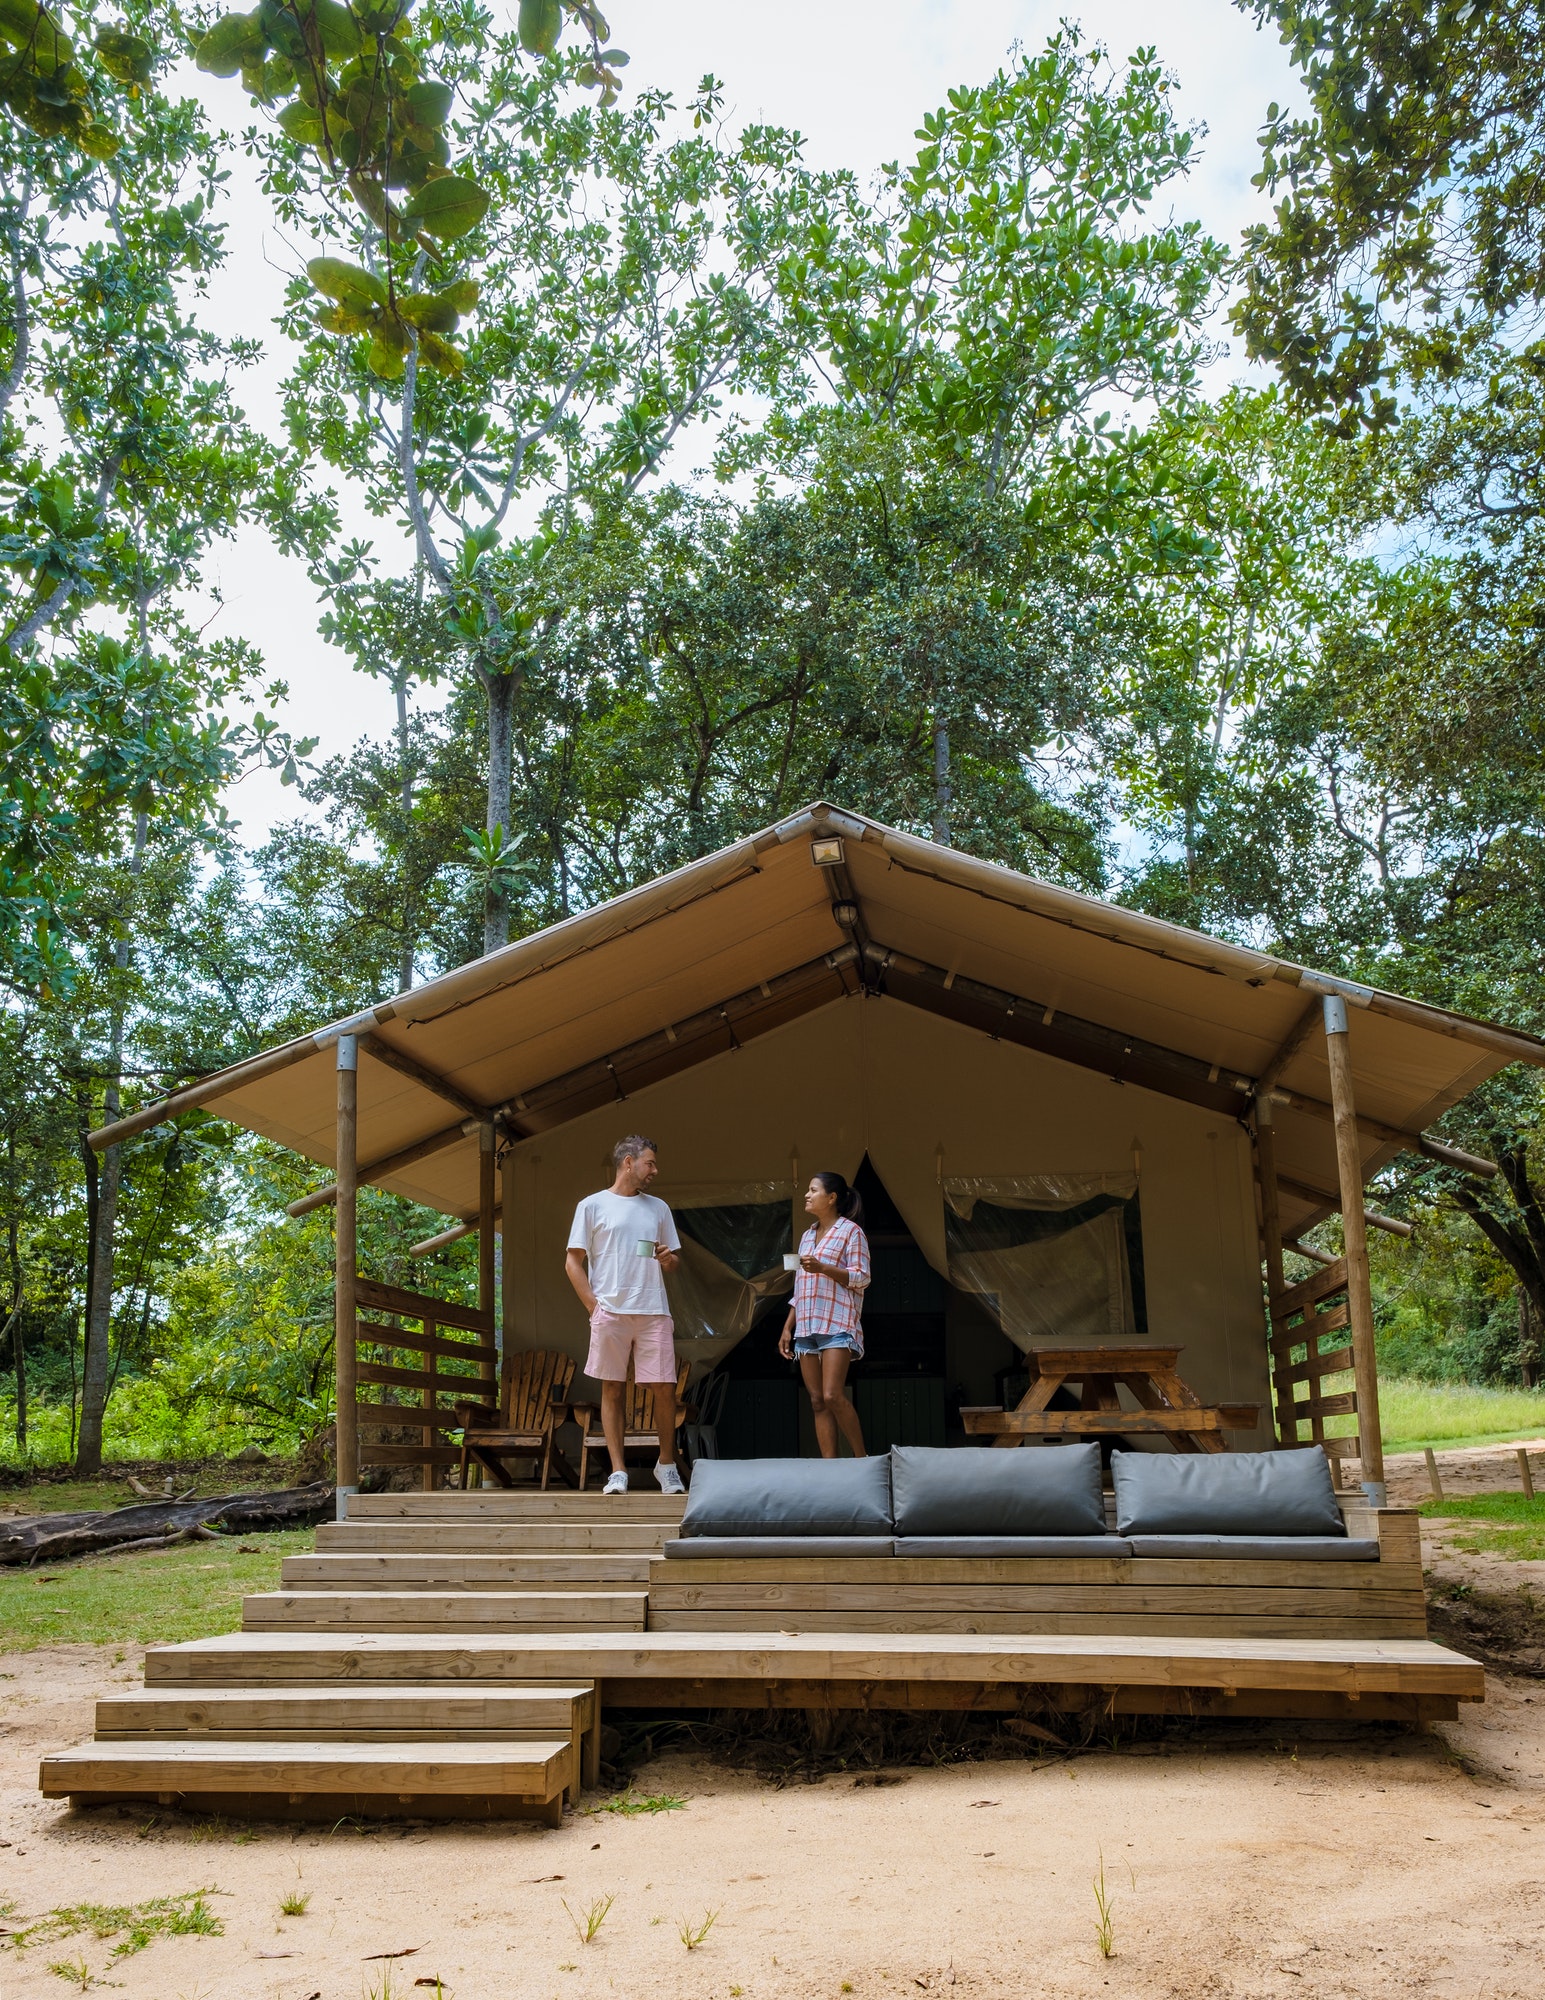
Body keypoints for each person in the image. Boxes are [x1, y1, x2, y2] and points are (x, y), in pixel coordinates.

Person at [565, 1135, 685, 1495]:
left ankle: (666, 1465)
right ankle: (618, 1472)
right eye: (650, 1163)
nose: (655, 1170)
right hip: (610, 1311)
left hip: (653, 1310)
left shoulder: (658, 1208)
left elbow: (675, 1262)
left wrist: (667, 1259)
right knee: (612, 1388)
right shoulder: (591, 1206)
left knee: (664, 1388)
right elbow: (572, 1261)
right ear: (628, 1162)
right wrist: (592, 1306)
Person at [778, 1170, 871, 1458]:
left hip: (837, 1323)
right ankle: (831, 1469)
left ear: (831, 1198)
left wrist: (823, 1268)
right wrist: (787, 1327)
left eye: (813, 1190)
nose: (807, 1195)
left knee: (832, 1394)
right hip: (806, 1326)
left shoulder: (851, 1232)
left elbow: (862, 1277)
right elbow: (801, 1285)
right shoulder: (807, 1236)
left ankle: (861, 1459)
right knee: (817, 1401)